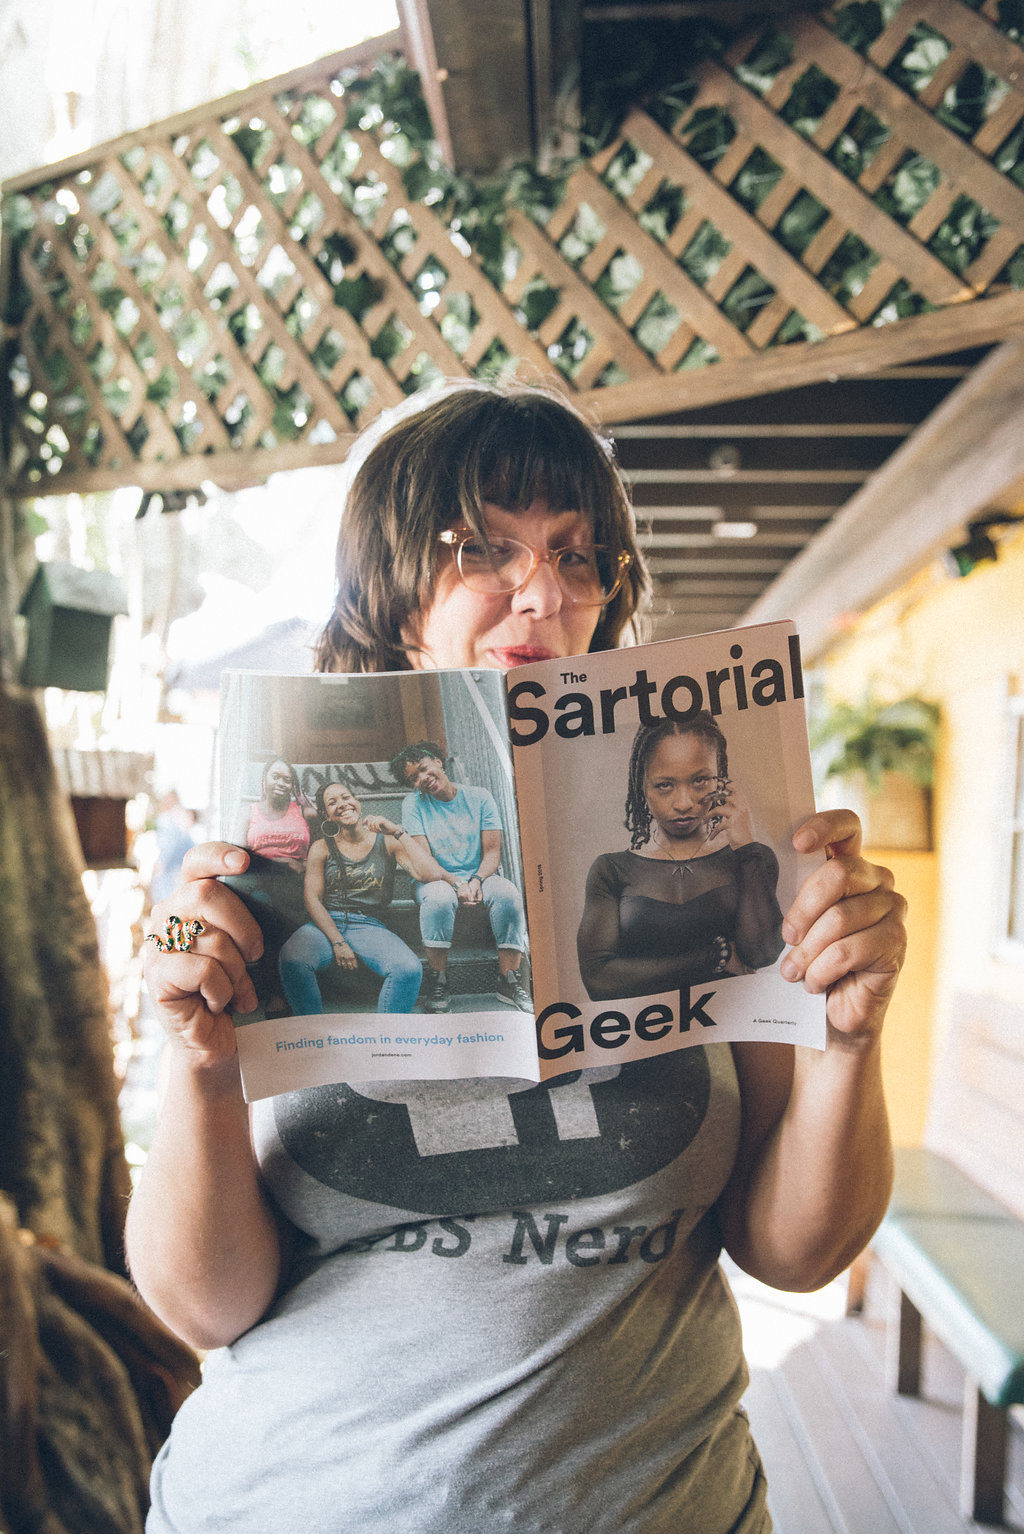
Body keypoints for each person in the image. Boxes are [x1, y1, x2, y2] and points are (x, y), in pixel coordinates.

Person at [130, 381, 906, 1534]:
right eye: (483, 549)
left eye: (576, 557)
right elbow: (204, 1307)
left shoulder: (716, 833)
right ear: (392, 591)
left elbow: (795, 1256)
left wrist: (847, 1037)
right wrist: (196, 1063)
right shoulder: (256, 860)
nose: (543, 592)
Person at [577, 713, 785, 1001]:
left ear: (720, 780)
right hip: (646, 1028)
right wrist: (716, 956)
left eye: (700, 780)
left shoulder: (752, 859)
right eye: (665, 785)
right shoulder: (610, 869)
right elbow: (599, 980)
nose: (684, 803)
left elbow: (762, 953)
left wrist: (745, 846)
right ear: (642, 785)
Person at [389, 739, 531, 1013]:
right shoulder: (413, 804)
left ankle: (508, 979)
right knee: (439, 899)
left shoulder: (480, 797)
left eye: (424, 768)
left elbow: (492, 852)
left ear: (438, 762)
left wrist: (476, 880)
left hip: (480, 875)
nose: (422, 778)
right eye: (414, 778)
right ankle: (439, 980)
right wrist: (456, 882)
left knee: (508, 894)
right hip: (434, 878)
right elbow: (425, 861)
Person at [277, 778, 432, 1016]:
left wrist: (398, 831)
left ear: (357, 802)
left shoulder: (388, 841)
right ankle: (311, 1030)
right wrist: (338, 942)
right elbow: (312, 899)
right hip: (326, 923)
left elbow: (426, 873)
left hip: (368, 925)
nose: (342, 804)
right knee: (292, 959)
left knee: (408, 969)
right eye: (332, 802)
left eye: (346, 797)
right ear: (326, 815)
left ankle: (389, 1034)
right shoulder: (321, 847)